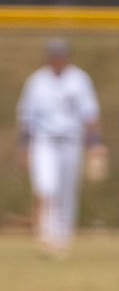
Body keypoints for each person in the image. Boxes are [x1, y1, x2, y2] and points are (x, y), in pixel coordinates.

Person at [16, 38, 105, 255]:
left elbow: (90, 115)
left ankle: (62, 237)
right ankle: (47, 234)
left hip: (71, 140)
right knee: (47, 186)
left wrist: (95, 145)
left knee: (66, 191)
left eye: (60, 55)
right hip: (44, 140)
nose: (57, 59)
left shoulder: (79, 80)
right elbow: (27, 117)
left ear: (66, 57)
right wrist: (24, 148)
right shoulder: (37, 81)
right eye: (54, 55)